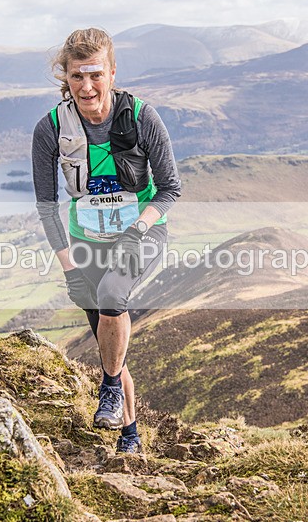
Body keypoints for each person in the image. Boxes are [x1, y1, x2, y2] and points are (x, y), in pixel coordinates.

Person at [32, 28, 182, 453]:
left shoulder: (141, 117)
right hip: (85, 242)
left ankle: (110, 388)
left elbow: (170, 188)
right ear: (66, 77)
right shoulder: (51, 129)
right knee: (108, 341)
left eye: (95, 74)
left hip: (142, 233)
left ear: (112, 73)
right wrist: (70, 268)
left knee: (114, 296)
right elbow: (47, 206)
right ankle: (130, 434)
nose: (87, 86)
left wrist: (138, 230)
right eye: (77, 76)